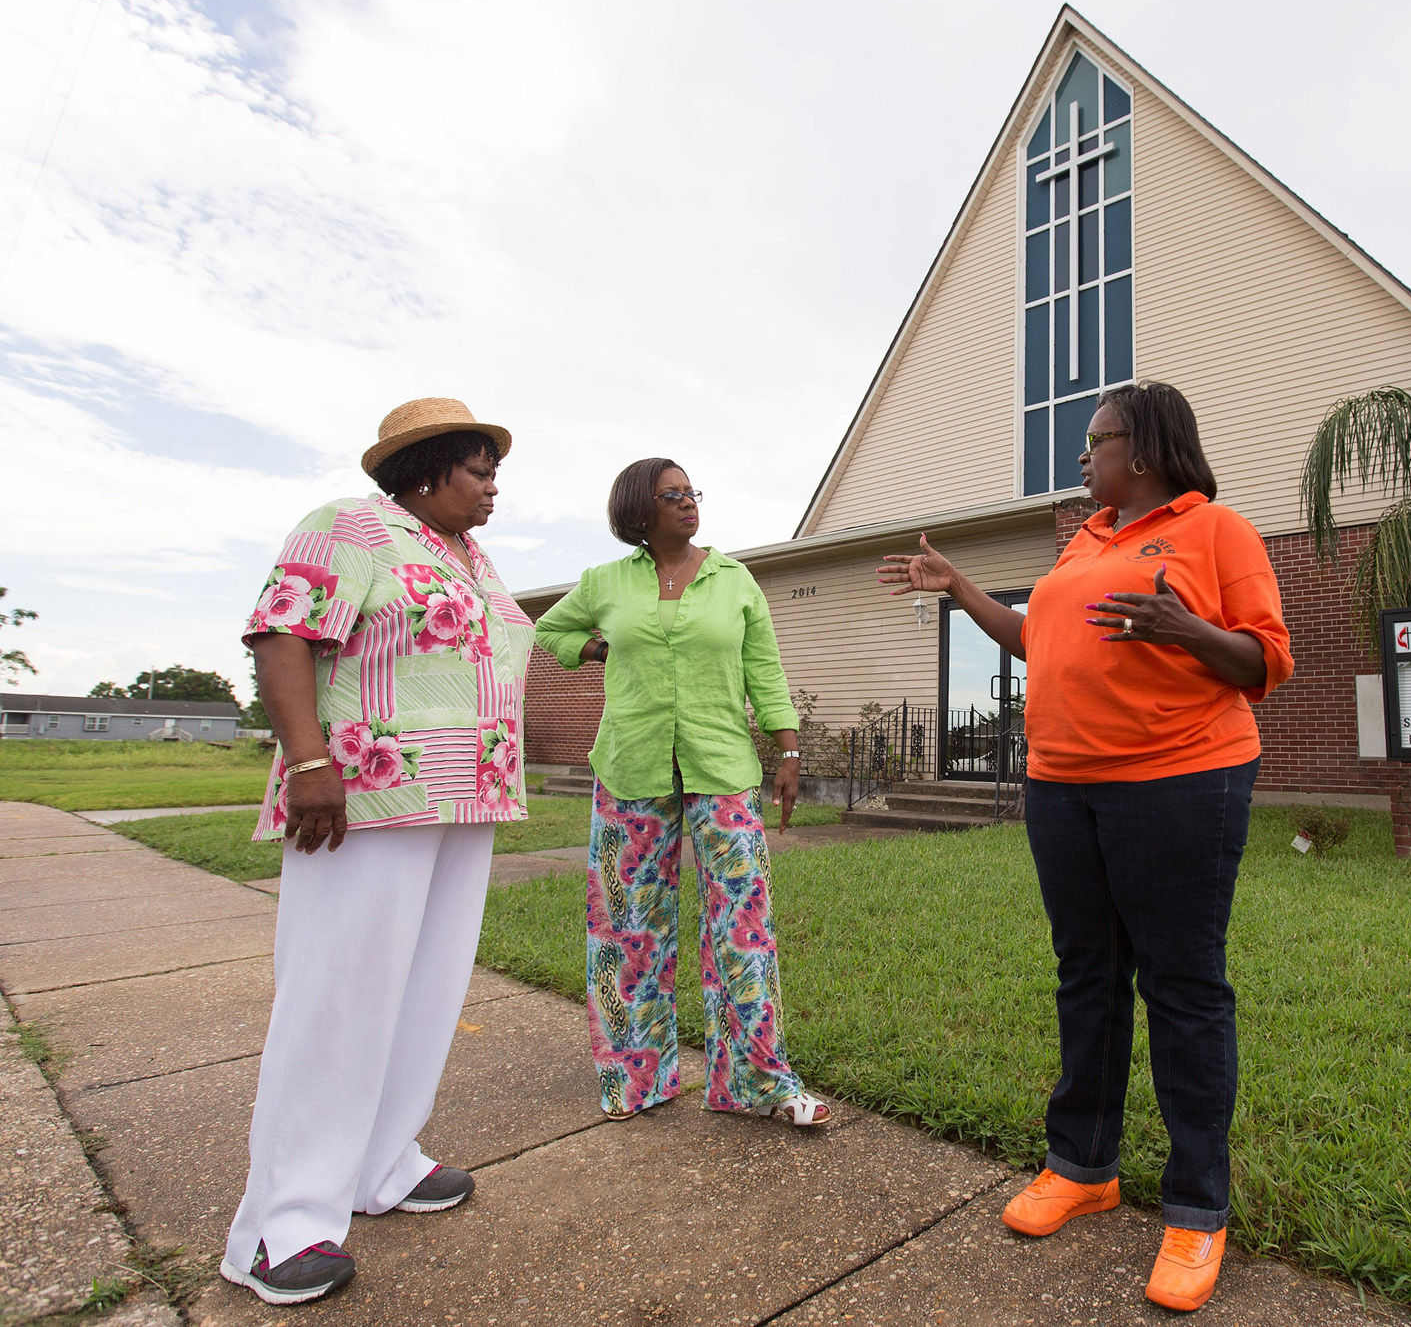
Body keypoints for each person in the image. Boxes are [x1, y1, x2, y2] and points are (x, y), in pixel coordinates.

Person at [879, 380, 1292, 1312]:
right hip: (1063, 784)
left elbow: (1266, 657)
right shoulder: (1084, 539)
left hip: (1182, 778)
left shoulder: (1216, 530)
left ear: (1139, 451)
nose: (1082, 456)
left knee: (1182, 985)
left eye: (1095, 441)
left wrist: (1186, 628)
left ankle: (1195, 1209)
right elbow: (1036, 639)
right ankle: (1084, 1165)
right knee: (1086, 971)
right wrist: (959, 590)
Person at [222, 398, 534, 1307]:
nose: (494, 489)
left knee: (426, 990)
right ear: (428, 469)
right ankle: (280, 1226)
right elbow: (282, 635)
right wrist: (309, 760)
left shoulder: (469, 557)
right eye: (481, 471)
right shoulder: (347, 528)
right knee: (337, 996)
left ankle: (381, 1164)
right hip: (361, 796)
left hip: (465, 797)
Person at [534, 458, 829, 1126]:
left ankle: (757, 1084)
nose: (688, 504)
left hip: (721, 769)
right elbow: (549, 631)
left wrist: (789, 750)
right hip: (630, 769)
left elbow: (766, 672)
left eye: (692, 492)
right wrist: (596, 648)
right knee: (627, 929)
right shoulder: (604, 582)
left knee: (742, 928)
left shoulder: (733, 579)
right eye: (673, 496)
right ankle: (635, 1081)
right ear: (640, 510)